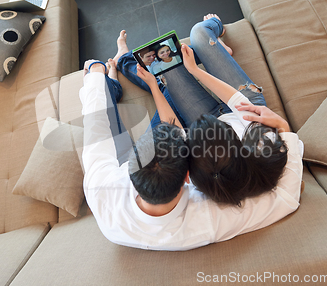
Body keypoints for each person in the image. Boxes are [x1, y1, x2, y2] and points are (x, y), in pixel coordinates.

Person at [81, 44, 303, 250]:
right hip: (238, 127)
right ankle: (124, 68)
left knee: (144, 92)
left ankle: (118, 74)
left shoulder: (101, 188)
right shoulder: (209, 218)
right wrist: (283, 126)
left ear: (131, 165)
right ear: (188, 175)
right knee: (166, 86)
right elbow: (287, 196)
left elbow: (95, 125)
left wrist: (95, 72)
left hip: (114, 177)